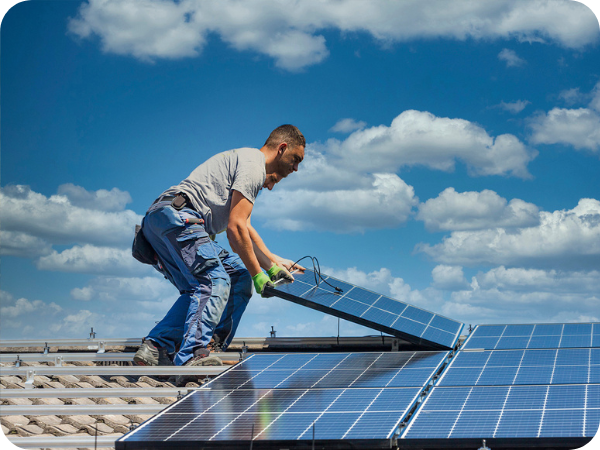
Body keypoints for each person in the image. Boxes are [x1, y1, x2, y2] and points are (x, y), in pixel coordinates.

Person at [132, 124, 306, 372]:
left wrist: (274, 262)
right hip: (180, 218)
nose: (296, 168)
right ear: (282, 148)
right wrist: (259, 274)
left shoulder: (244, 162)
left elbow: (244, 227)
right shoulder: (254, 165)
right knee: (214, 281)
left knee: (232, 277)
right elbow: (235, 232)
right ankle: (194, 355)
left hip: (162, 222)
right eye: (296, 159)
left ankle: (156, 347)